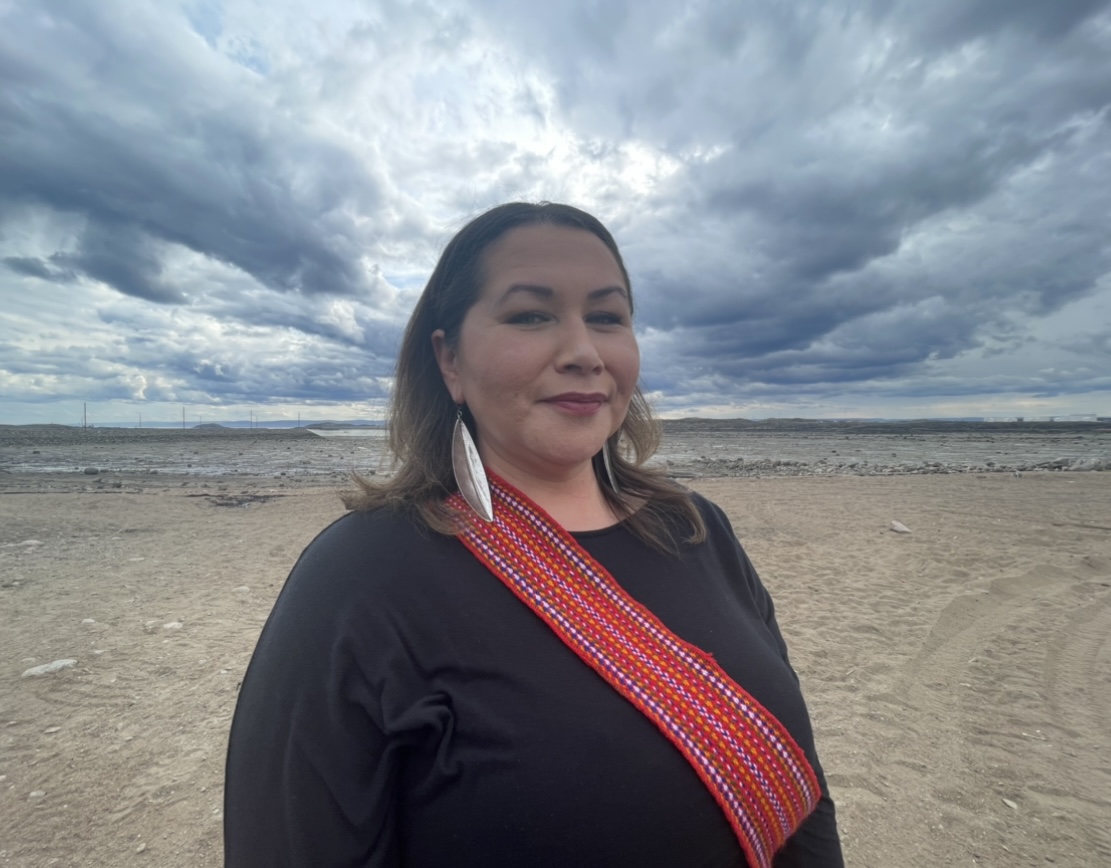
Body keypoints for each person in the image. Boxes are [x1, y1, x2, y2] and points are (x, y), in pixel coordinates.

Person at [224, 202, 844, 867]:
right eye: (530, 315)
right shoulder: (358, 576)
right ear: (449, 360)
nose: (583, 352)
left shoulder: (696, 529)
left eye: (606, 317)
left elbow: (798, 797)